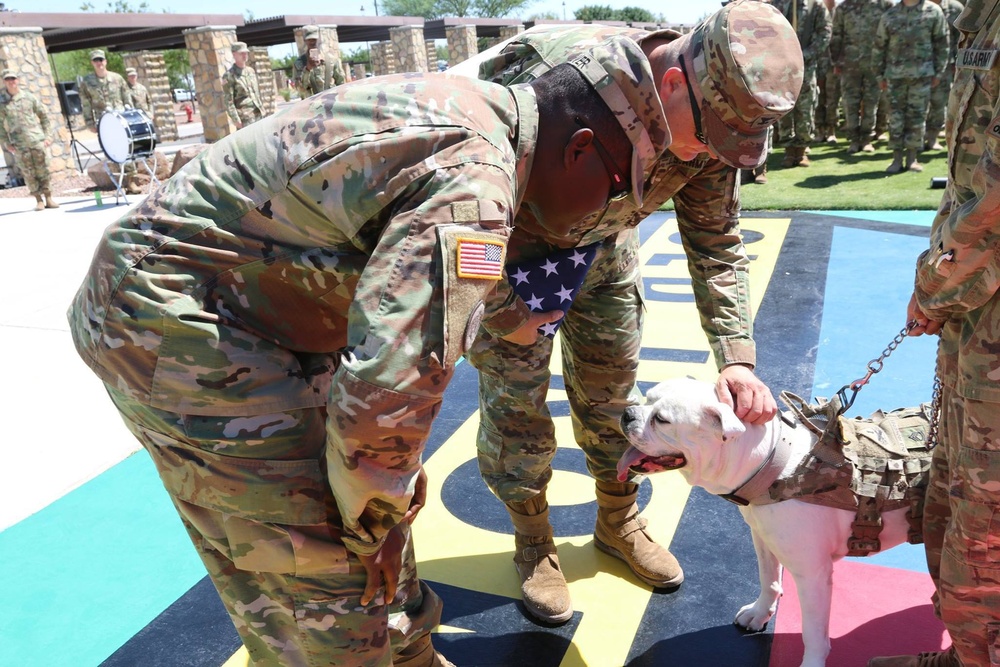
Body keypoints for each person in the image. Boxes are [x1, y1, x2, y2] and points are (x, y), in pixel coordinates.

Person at [66, 37, 668, 666]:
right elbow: (388, 390)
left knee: (369, 509)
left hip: (255, 308)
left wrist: (382, 498)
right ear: (579, 150)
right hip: (180, 322)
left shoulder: (492, 121)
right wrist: (375, 519)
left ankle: (407, 655)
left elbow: (408, 298)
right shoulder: (475, 187)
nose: (614, 216)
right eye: (620, 192)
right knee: (331, 580)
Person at [454, 0, 802, 624]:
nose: (707, 156)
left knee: (617, 400)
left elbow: (718, 245)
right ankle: (534, 540)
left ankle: (617, 520)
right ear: (672, 83)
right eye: (708, 140)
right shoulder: (551, 77)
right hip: (513, 260)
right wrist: (501, 307)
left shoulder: (714, 116)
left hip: (605, 261)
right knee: (516, 411)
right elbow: (455, 203)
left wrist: (738, 357)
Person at [870, 1, 1000, 665]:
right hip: (973, 316)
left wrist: (933, 289)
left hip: (978, 301)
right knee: (954, 490)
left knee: (987, 515)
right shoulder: (980, 21)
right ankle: (964, 651)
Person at [872, 0, 948, 173]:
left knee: (917, 117)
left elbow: (942, 43)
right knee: (896, 118)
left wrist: (938, 72)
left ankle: (912, 159)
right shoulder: (890, 15)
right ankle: (896, 159)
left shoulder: (933, 11)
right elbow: (879, 46)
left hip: (922, 75)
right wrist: (878, 74)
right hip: (894, 76)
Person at [773, 0, 832, 168]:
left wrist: (805, 54)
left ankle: (802, 150)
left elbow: (825, 33)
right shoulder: (777, 5)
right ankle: (788, 150)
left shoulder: (816, 5)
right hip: (782, 67)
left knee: (805, 109)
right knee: (784, 109)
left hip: (806, 66)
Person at [831, 0, 894, 154]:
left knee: (871, 103)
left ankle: (866, 139)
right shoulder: (844, 7)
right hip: (849, 64)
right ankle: (853, 140)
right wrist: (836, 61)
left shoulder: (884, 5)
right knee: (850, 103)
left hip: (875, 64)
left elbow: (891, 33)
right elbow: (836, 34)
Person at [81, 49, 140, 195]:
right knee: (112, 152)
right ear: (92, 63)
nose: (99, 63)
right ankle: (120, 183)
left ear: (105, 61)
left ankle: (132, 182)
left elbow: (127, 97)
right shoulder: (87, 82)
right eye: (96, 61)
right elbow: (86, 103)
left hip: (120, 118)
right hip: (104, 121)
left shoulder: (117, 78)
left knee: (127, 148)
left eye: (101, 60)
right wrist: (89, 122)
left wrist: (130, 116)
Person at [0, 69, 58, 211]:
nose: (11, 82)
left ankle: (49, 198)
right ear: (4, 82)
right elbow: (1, 125)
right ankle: (38, 200)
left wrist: (48, 136)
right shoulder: (3, 103)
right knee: (28, 172)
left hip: (36, 140)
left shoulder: (28, 97)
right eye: (8, 79)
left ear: (18, 80)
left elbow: (43, 116)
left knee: (43, 169)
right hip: (19, 144)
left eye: (13, 79)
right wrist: (6, 143)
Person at [925, 0, 965, 151]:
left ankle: (932, 137)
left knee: (939, 101)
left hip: (944, 64)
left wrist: (957, 62)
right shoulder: (918, 7)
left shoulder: (955, 8)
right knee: (918, 104)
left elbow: (961, 38)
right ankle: (917, 138)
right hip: (918, 64)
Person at [292, 25, 345, 99]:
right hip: (310, 106)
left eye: (314, 39)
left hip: (330, 105)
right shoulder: (299, 63)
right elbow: (299, 89)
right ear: (304, 40)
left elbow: (341, 84)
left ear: (319, 39)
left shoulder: (331, 60)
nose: (312, 41)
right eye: (309, 39)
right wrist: (307, 69)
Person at [222, 41, 263, 130]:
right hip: (245, 117)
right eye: (241, 53)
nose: (245, 55)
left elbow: (256, 93)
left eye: (246, 53)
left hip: (258, 113)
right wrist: (236, 119)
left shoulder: (251, 71)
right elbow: (228, 100)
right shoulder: (229, 75)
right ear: (234, 54)